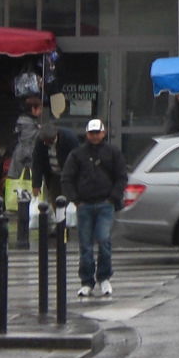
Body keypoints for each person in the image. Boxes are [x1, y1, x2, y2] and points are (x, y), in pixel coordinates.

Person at [60, 118, 128, 299]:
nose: (95, 136)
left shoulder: (112, 152)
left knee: (104, 241)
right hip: (85, 205)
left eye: (98, 133)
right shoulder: (77, 154)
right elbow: (67, 178)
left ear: (103, 133)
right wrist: (75, 200)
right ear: (87, 134)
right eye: (92, 133)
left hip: (105, 204)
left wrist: (113, 198)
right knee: (86, 246)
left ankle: (104, 277)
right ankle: (87, 282)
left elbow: (121, 176)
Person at [5, 95, 44, 211]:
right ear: (33, 109)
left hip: (19, 155)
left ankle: (18, 204)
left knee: (17, 181)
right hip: (25, 157)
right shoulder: (29, 124)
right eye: (39, 108)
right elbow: (29, 144)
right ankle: (28, 205)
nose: (41, 111)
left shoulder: (25, 122)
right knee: (29, 181)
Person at [31, 118, 80, 206]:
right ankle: (58, 217)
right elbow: (37, 163)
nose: (45, 143)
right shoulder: (41, 140)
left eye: (48, 141)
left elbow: (78, 160)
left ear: (54, 137)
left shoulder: (69, 138)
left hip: (69, 176)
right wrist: (36, 184)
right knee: (55, 201)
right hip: (53, 175)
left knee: (70, 202)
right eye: (44, 141)